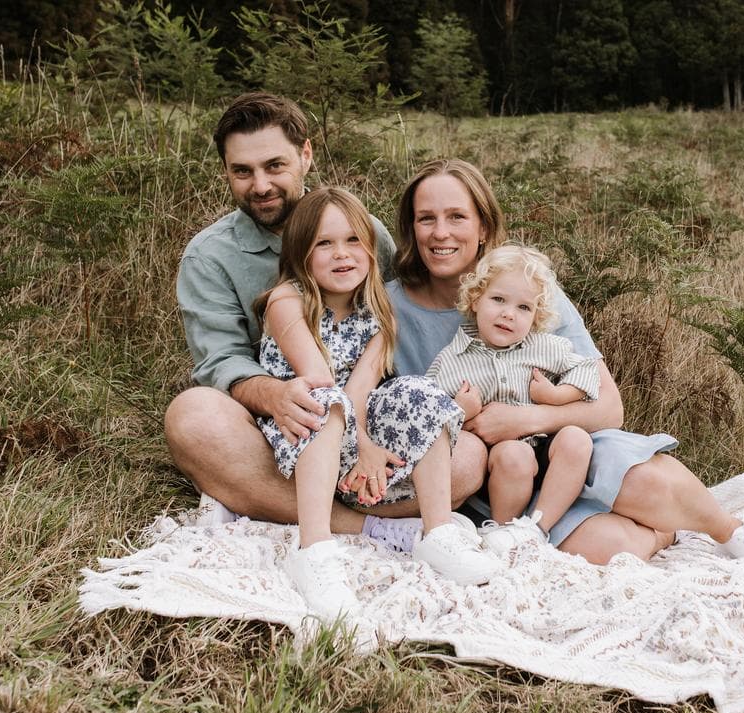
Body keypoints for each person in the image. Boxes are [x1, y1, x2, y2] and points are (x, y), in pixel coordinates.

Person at [388, 158, 744, 564]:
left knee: (646, 482)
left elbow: (609, 407)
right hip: (496, 479)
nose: (441, 232)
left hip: (563, 444)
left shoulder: (528, 287)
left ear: (483, 226)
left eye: (457, 217)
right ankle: (661, 530)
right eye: (426, 218)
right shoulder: (391, 307)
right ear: (412, 228)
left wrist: (526, 419)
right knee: (613, 547)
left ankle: (726, 529)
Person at [163, 93, 485, 555]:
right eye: (242, 171)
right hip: (276, 429)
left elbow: (391, 310)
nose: (260, 185)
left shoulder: (365, 229)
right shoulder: (208, 256)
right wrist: (276, 396)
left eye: (275, 165)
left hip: (365, 417)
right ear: (226, 172)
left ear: (305, 155)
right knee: (192, 416)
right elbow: (221, 363)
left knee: (467, 459)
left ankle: (268, 504)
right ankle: (364, 526)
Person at [252, 187, 500, 617]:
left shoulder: (378, 312)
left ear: (370, 249)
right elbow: (319, 380)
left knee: (420, 391)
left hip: (352, 422)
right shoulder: (287, 301)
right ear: (300, 253)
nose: (341, 254)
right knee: (325, 401)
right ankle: (313, 551)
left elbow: (360, 390)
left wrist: (365, 445)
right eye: (324, 244)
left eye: (353, 241)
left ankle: (438, 532)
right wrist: (363, 447)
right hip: (299, 427)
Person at [426, 245, 598, 556]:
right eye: (498, 300)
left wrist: (557, 395)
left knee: (577, 438)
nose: (509, 314)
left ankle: (536, 529)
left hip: (546, 448)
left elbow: (587, 369)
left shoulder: (545, 347)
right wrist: (461, 411)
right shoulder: (452, 359)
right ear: (476, 300)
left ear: (535, 317)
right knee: (513, 454)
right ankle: (503, 533)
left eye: (524, 308)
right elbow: (427, 414)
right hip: (498, 464)